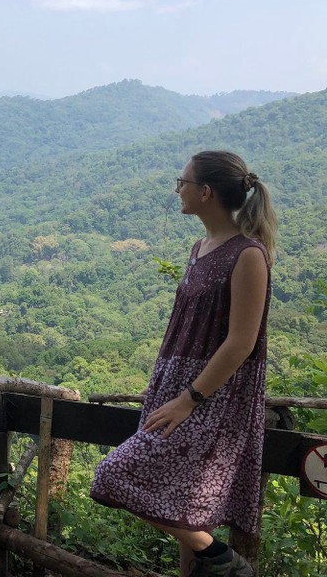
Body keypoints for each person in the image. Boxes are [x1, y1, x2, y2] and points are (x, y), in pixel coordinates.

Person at [90, 151, 278, 577]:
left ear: (206, 192)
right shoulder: (200, 248)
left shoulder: (248, 255)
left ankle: (224, 561)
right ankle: (207, 563)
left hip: (211, 396)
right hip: (175, 386)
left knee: (112, 475)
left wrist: (188, 399)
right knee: (188, 508)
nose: (178, 188)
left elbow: (241, 343)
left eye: (184, 181)